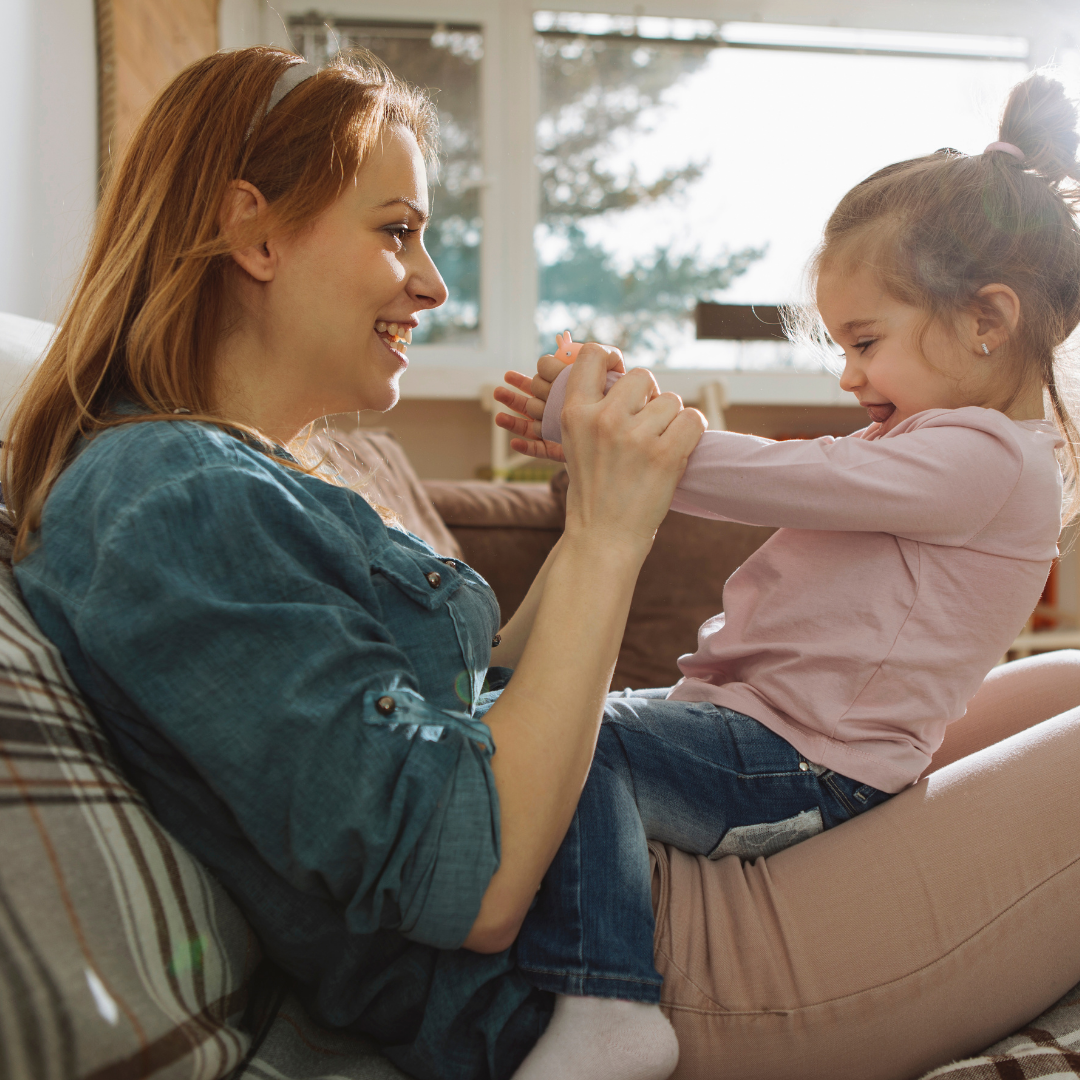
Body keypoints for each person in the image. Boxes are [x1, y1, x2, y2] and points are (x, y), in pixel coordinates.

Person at [4, 43, 1080, 1080]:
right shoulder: (175, 496)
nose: (431, 283)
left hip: (670, 867)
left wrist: (611, 479)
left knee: (1066, 680)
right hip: (650, 955)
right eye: (398, 230)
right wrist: (610, 522)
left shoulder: (249, 484)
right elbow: (466, 866)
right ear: (255, 231)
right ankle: (608, 1012)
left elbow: (482, 702)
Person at [494, 72, 1080, 1080]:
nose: (849, 375)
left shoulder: (985, 458)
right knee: (555, 709)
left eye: (865, 341)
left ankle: (609, 1005)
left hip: (809, 765)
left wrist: (627, 431)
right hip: (768, 739)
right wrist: (604, 442)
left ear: (988, 318)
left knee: (579, 737)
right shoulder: (951, 441)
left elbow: (785, 474)